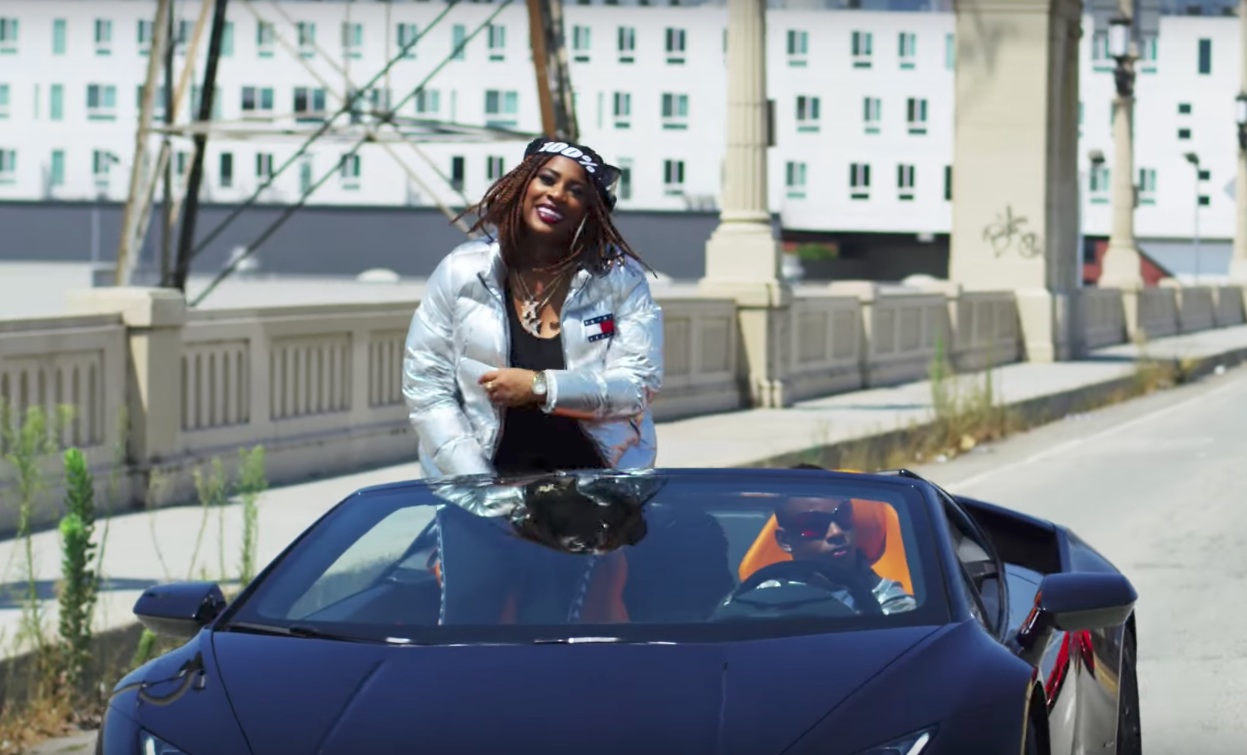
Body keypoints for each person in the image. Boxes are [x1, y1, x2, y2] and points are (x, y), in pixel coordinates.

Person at [402, 137, 664, 480]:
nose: (556, 194)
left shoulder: (620, 279)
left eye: (576, 191)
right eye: (547, 179)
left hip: (598, 491)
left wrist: (540, 387)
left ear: (592, 209)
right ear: (521, 185)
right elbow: (427, 389)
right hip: (480, 487)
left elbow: (636, 385)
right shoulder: (462, 271)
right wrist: (480, 487)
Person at [764, 495, 916, 615]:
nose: (836, 532)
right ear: (785, 540)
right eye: (814, 524)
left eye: (843, 515)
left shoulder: (888, 601)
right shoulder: (763, 598)